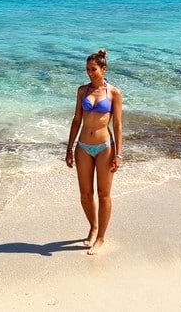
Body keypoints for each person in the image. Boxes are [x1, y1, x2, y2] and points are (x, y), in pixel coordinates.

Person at [65, 49, 123, 255]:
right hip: (83, 147)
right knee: (85, 195)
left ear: (103, 69)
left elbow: (117, 125)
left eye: (93, 69)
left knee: (104, 194)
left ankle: (100, 238)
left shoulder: (113, 93)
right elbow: (76, 121)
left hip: (105, 148)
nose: (89, 72)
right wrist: (69, 148)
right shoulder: (82, 91)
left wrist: (119, 154)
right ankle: (93, 226)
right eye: (87, 69)